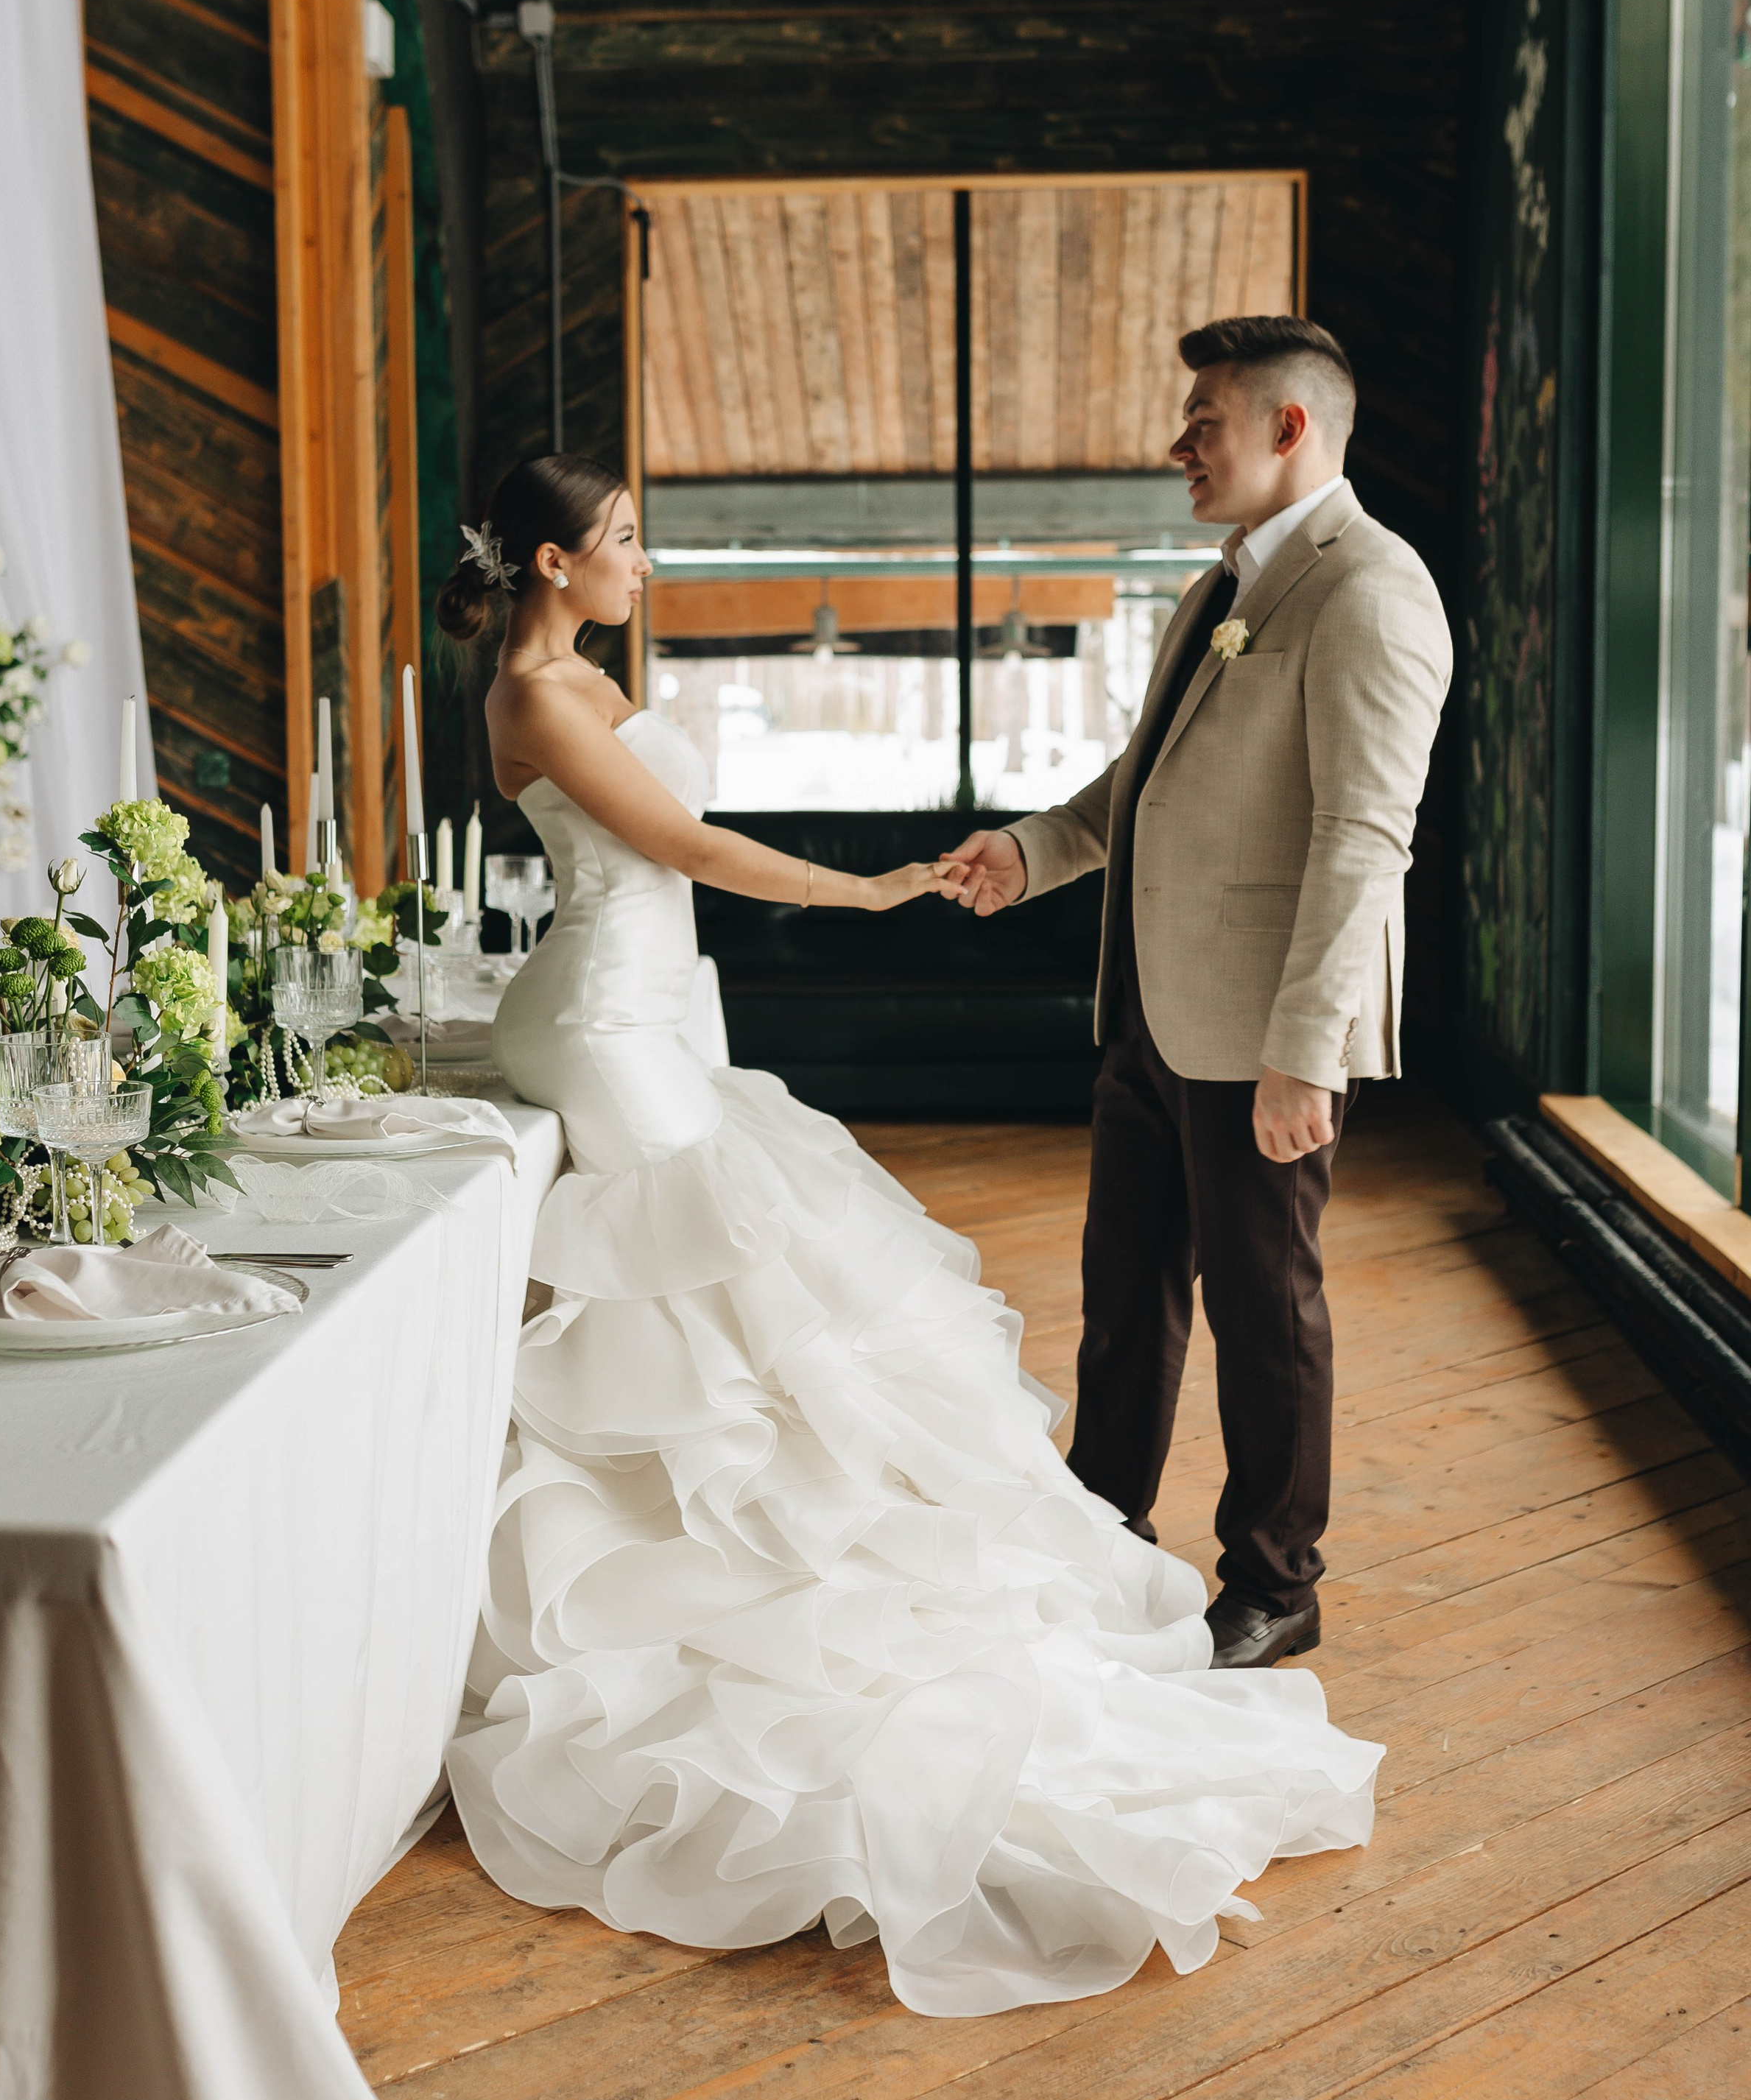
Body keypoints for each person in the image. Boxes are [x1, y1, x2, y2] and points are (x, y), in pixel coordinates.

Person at [436, 446, 1381, 2020]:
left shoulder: (584, 672)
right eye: (623, 539)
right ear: (552, 564)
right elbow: (688, 851)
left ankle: (786, 1539)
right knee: (716, 1300)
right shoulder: (538, 695)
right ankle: (728, 1574)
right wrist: (867, 895)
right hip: (602, 1019)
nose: (643, 562)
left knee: (750, 1292)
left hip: (649, 1007)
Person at [945, 316, 1453, 1671]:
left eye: (1203, 419)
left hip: (1264, 1033)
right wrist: (1032, 850)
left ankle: (1277, 1584)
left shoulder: (1372, 590)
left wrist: (1306, 1051)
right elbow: (1150, 780)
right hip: (1152, 1014)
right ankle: (1104, 1532)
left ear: (1289, 428)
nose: (1180, 444)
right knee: (1126, 1299)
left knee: (1263, 1313)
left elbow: (1365, 836)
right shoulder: (1218, 586)